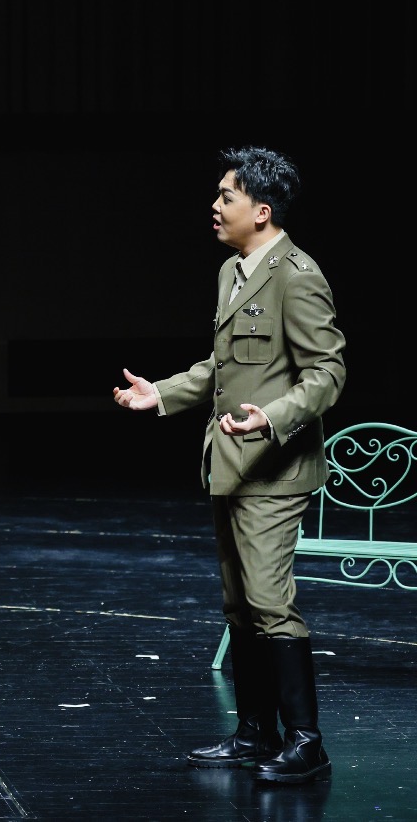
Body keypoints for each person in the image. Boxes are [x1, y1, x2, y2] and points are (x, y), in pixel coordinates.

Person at [112, 146, 345, 785]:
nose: (215, 206)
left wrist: (271, 417)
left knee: (270, 602)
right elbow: (224, 367)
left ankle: (306, 743)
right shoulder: (232, 271)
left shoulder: (297, 275)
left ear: (261, 210)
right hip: (230, 464)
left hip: (274, 469)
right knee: (240, 605)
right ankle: (254, 732)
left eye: (227, 196)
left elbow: (328, 373)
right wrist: (161, 394)